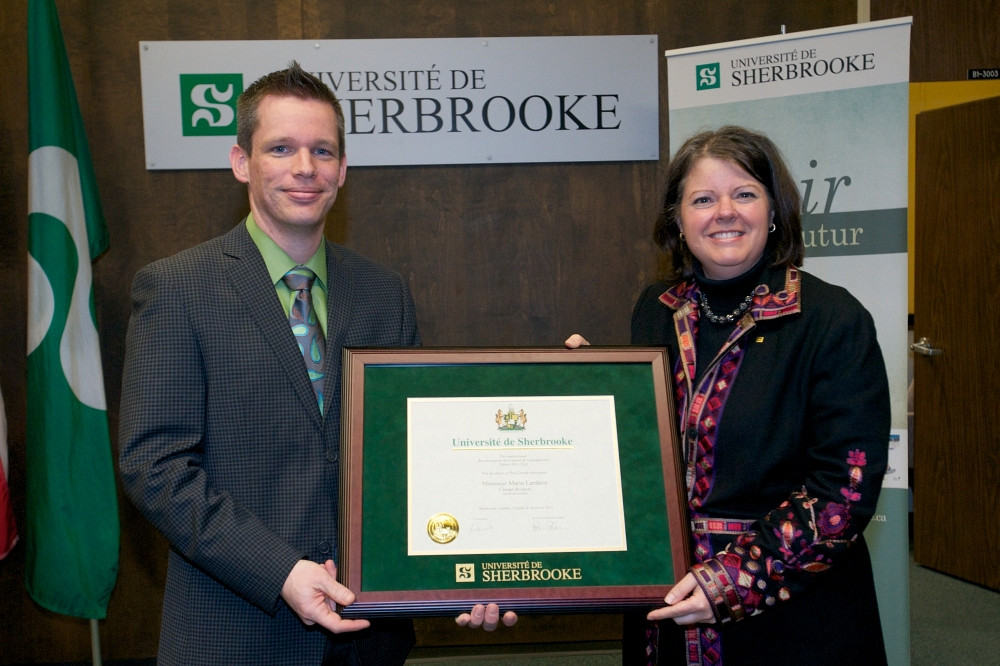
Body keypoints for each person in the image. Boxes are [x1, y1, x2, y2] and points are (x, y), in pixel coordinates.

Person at [119, 62, 511, 666]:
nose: (305, 168)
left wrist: (474, 568)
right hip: (238, 634)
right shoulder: (177, 289)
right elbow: (156, 467)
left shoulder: (383, 293)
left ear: (344, 169)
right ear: (241, 162)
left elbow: (413, 455)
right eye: (281, 148)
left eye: (322, 150)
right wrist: (279, 571)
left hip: (371, 633)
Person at [567, 125, 889, 664]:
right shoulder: (657, 309)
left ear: (775, 210)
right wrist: (584, 397)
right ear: (677, 218)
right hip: (665, 606)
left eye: (744, 194)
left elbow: (843, 492)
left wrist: (730, 582)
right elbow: (647, 456)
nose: (724, 212)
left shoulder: (832, 320)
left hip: (791, 620)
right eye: (702, 199)